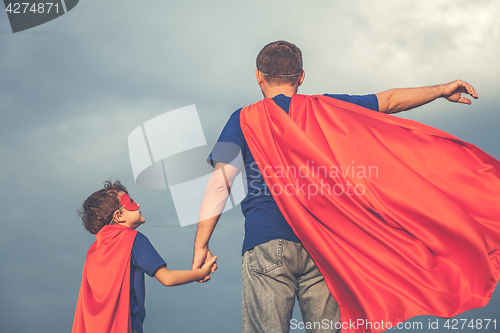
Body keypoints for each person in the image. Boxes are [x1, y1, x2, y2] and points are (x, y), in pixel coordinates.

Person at [192, 41, 484, 333]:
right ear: (301, 77)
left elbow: (221, 184)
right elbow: (390, 101)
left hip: (267, 241)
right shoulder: (326, 108)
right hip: (324, 244)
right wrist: (441, 89)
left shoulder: (243, 120)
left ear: (259, 76)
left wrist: (201, 245)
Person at [72, 180, 217, 333]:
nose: (138, 205)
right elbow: (167, 279)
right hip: (126, 325)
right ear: (119, 215)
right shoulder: (134, 240)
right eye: (130, 201)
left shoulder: (93, 251)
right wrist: (201, 273)